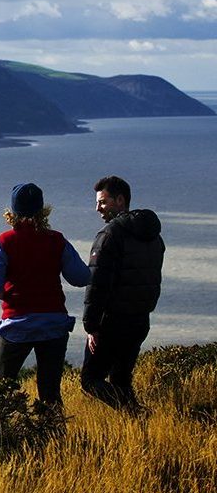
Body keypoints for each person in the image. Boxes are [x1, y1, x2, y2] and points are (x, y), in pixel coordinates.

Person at [0, 183, 90, 405]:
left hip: (16, 325)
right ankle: (56, 437)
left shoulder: (4, 242)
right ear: (43, 210)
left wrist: (8, 295)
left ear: (12, 212)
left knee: (2, 390)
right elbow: (81, 278)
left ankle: (4, 436)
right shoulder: (57, 240)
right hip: (53, 324)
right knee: (50, 392)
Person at [81, 175, 164, 409]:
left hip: (112, 321)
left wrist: (92, 326)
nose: (97, 208)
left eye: (103, 202)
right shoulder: (153, 236)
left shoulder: (109, 235)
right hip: (140, 320)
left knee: (90, 380)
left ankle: (136, 412)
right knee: (121, 380)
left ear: (120, 200)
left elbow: (97, 283)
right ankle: (137, 426)